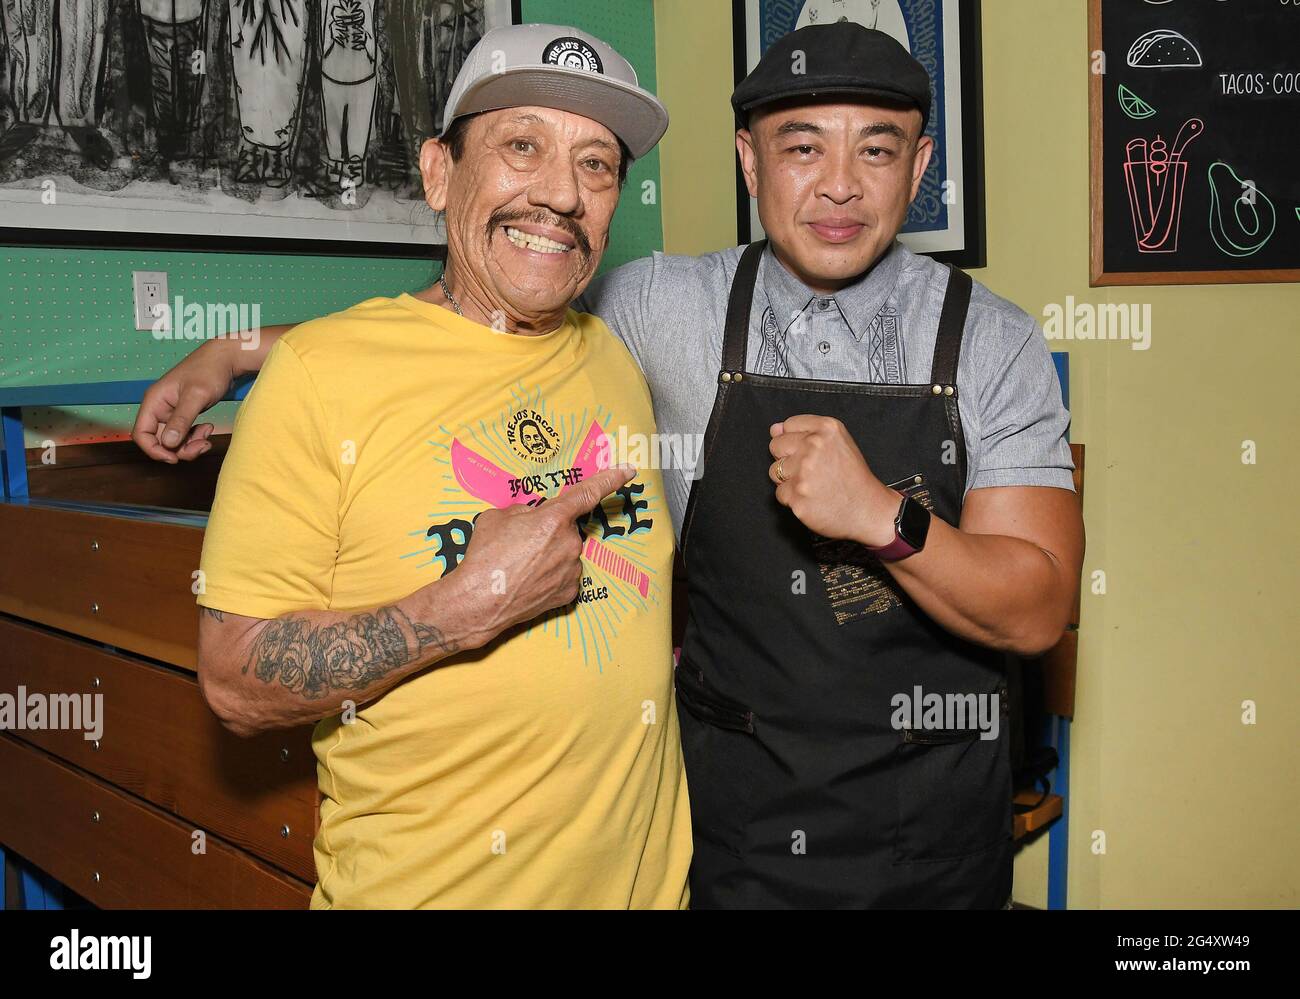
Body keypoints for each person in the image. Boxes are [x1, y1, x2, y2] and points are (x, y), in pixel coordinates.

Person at [135, 23, 1083, 909]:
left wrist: (883, 514)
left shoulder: (979, 342)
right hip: (726, 845)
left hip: (905, 845)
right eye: (802, 147)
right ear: (750, 163)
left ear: (919, 167)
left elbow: (1039, 608)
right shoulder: (657, 309)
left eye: (876, 150)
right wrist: (242, 350)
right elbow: (437, 337)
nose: (839, 185)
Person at [183, 23, 691, 908]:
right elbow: (233, 678)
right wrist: (460, 610)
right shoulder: (315, 382)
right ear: (437, 174)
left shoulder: (615, 354)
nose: (562, 195)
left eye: (597, 165)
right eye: (522, 146)